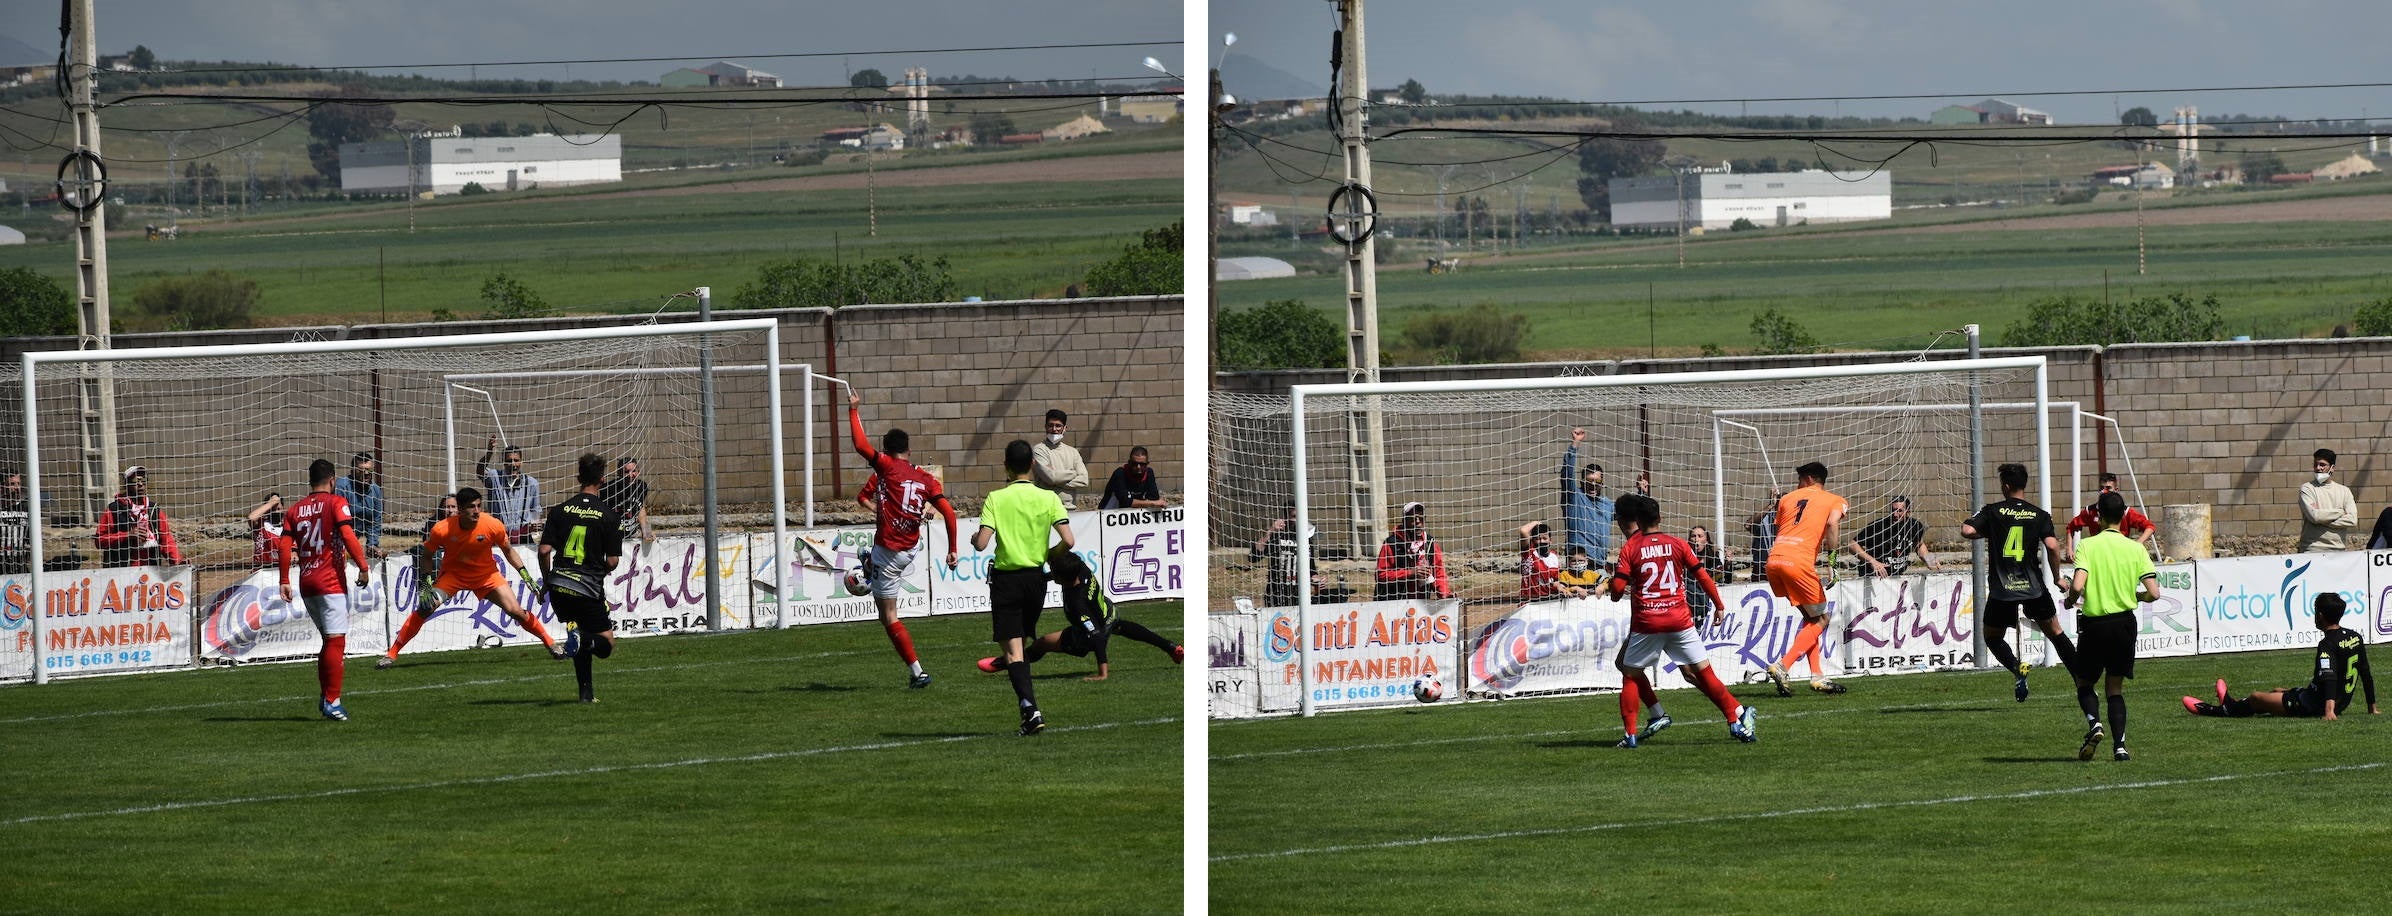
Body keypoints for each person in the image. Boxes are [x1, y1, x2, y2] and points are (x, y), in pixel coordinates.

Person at [1604, 493, 1758, 748]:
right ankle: (1734, 718)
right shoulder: (1676, 543)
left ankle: (1637, 729)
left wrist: (1614, 586)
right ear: (1660, 518)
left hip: (1648, 621)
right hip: (1679, 618)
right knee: (1701, 672)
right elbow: (1702, 575)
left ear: (1628, 520)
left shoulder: (1631, 547)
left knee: (1630, 673)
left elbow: (1618, 587)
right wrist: (1719, 604)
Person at [379, 487, 564, 667]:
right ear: (459, 510)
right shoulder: (442, 529)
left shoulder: (492, 524)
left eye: (478, 506)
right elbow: (427, 555)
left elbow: (508, 551)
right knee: (425, 608)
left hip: (487, 576)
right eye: (471, 507)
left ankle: (551, 643)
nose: (476, 511)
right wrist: (427, 587)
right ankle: (391, 654)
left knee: (515, 611)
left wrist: (527, 577)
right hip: (453, 576)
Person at [850, 392, 961, 689]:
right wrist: (952, 550)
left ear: (887, 451)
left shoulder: (885, 466)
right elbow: (948, 514)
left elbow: (860, 445)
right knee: (874, 554)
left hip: (890, 553)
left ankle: (917, 673)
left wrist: (853, 410)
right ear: (909, 451)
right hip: (910, 549)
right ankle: (867, 563)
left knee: (888, 617)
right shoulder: (925, 478)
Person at [973, 439, 1074, 736]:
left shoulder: (996, 498)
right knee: (1016, 650)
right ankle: (1027, 706)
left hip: (1007, 581)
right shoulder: (1048, 498)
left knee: (1014, 652)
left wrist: (973, 539)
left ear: (1005, 466)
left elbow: (981, 543)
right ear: (1033, 465)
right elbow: (1069, 541)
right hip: (1036, 581)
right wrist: (1049, 555)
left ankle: (1031, 710)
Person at [1960, 463, 2080, 702]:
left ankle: (2016, 666)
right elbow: (2053, 546)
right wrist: (2057, 577)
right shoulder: (2039, 514)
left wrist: (1991, 532)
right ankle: (2082, 681)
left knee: (1993, 637)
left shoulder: (1993, 511)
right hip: (2033, 587)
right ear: (2024, 485)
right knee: (2056, 634)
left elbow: (1967, 530)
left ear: (2005, 486)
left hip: (2002, 589)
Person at [977, 547, 1181, 681]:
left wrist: (1102, 674)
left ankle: (1006, 663)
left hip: (1089, 632)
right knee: (1123, 627)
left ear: (1061, 578)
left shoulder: (1078, 605)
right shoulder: (1079, 568)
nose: (1051, 572)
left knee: (1042, 644)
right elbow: (1062, 568)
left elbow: (1097, 637)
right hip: (1108, 612)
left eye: (1053, 572)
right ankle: (1171, 648)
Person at [2064, 491, 2160, 762]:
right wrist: (2136, 596)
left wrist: (2071, 600)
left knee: (2085, 682)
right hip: (2124, 625)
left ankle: (2094, 723)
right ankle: (2120, 747)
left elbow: (2078, 585)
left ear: (2099, 516)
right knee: (2114, 688)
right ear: (2123, 517)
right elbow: (2154, 592)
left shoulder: (2088, 546)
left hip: (2095, 624)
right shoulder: (2136, 548)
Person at [278, 459, 373, 722]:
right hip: (329, 581)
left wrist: (284, 579)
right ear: (332, 479)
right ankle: (333, 701)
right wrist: (363, 566)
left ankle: (326, 695)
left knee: (328, 641)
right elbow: (348, 535)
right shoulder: (336, 502)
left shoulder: (295, 509)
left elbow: (284, 546)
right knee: (336, 641)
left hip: (306, 582)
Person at [2185, 593, 2377, 721]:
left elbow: (2330, 677)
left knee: (2256, 697)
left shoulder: (2327, 644)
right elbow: (2366, 674)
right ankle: (2231, 703)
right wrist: (2372, 708)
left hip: (2314, 705)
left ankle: (2216, 710)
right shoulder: (2354, 637)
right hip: (2334, 701)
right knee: (2276, 691)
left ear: (2319, 615)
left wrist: (2328, 711)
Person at [540, 453, 625, 704]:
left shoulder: (559, 511)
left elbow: (544, 550)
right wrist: (597, 572)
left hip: (559, 586)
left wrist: (547, 580)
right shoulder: (609, 515)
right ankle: (583, 639)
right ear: (602, 479)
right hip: (586, 587)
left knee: (580, 638)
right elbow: (612, 561)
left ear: (578, 477)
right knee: (605, 645)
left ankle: (586, 695)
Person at [1762, 462, 1850, 697]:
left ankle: (1817, 676)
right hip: (1798, 563)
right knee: (1823, 618)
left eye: (1800, 479)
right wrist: (1832, 561)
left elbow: (1783, 527)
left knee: (1811, 618)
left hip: (1774, 561)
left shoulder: (1786, 499)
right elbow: (1832, 523)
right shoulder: (1834, 500)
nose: (1797, 484)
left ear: (1810, 479)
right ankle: (1783, 665)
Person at [95, 465, 183, 568]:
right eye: (136, 482)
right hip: (121, 572)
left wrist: (178, 562)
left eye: (143, 481)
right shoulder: (114, 510)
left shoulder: (153, 510)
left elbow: (166, 540)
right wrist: (127, 535)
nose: (141, 484)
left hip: (150, 571)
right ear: (127, 484)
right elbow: (99, 540)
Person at [1374, 501, 1452, 601]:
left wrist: (1445, 594)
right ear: (1404, 521)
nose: (1418, 521)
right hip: (1394, 604)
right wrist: (1411, 573)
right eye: (1413, 518)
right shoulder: (1392, 544)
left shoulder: (1430, 543)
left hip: (1421, 605)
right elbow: (1380, 576)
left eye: (1421, 518)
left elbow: (1439, 573)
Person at [2064, 473, 2154, 560]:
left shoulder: (2125, 512)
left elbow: (2149, 526)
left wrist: (2137, 544)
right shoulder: (2090, 511)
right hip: (2098, 554)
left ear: (2116, 490)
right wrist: (2069, 548)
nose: (2104, 491)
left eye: (2108, 488)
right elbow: (2071, 526)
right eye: (2101, 488)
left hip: (2120, 554)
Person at [1560, 428, 1614, 565]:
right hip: (1577, 564)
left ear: (1602, 483)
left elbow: (1629, 514)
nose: (1593, 485)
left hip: (1600, 563)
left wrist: (1641, 493)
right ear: (1582, 482)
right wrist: (1575, 444)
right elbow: (1567, 473)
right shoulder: (1574, 497)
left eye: (1597, 482)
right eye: (1589, 481)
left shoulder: (1607, 505)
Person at [1849, 496, 1939, 577]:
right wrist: (1873, 561)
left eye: (1899, 511)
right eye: (1893, 510)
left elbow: (1919, 545)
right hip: (1872, 576)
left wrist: (1929, 559)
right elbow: (1852, 545)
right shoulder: (1878, 526)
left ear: (1908, 512)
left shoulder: (1915, 526)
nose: (1895, 515)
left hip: (1897, 576)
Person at [476, 435, 542, 543]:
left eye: (516, 460)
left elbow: (536, 511)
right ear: (503, 462)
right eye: (509, 461)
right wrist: (489, 454)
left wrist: (536, 527)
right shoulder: (495, 477)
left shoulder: (532, 483)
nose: (513, 464)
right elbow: (480, 471)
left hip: (524, 537)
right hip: (499, 536)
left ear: (521, 462)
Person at [1251, 501, 1315, 608]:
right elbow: (1254, 556)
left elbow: (1311, 568)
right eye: (1294, 516)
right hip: (1277, 595)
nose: (1298, 520)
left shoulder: (1307, 537)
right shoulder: (1277, 536)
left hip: (1301, 595)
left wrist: (1317, 578)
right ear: (1285, 517)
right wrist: (1270, 531)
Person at [2298, 448, 2358, 552]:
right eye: (2315, 464)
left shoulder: (2344, 491)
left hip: (2338, 550)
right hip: (2312, 549)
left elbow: (2352, 520)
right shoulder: (2307, 489)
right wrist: (2340, 512)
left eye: (2322, 465)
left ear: (2332, 468)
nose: (2318, 468)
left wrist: (2323, 519)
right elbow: (2314, 516)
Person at [1030, 408, 1089, 509]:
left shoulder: (1073, 452)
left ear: (1065, 428)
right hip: (1046, 509)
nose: (1054, 429)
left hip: (1070, 509)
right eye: (1050, 425)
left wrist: (1056, 480)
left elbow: (1084, 480)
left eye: (1058, 426)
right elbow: (1051, 477)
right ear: (1045, 427)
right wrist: (1073, 473)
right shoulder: (1039, 450)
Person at [331, 451, 384, 557]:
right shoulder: (342, 486)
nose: (366, 474)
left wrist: (372, 544)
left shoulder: (376, 490)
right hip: (338, 539)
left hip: (355, 539)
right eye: (361, 470)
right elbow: (338, 521)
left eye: (370, 470)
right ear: (353, 471)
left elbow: (375, 521)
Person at [1517, 520, 1585, 599]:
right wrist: (1536, 522)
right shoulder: (1529, 552)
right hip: (1529, 600)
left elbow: (1555, 580)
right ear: (1533, 540)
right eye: (1538, 539)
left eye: (1544, 538)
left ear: (1550, 540)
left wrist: (1561, 588)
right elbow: (1523, 531)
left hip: (1549, 600)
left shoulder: (1554, 557)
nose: (1541, 541)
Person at [600, 457, 655, 546]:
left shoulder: (641, 486)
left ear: (638, 472)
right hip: (613, 536)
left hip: (632, 533)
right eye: (626, 472)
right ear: (619, 473)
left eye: (633, 471)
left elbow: (640, 508)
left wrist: (646, 530)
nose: (630, 475)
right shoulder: (608, 489)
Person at [1098, 446, 1168, 510]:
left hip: (1132, 514)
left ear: (1147, 464)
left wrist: (1151, 502)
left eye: (1142, 464)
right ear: (1129, 463)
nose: (1138, 467)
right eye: (1135, 464)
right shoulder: (1120, 473)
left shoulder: (1149, 473)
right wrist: (1152, 503)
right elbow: (1125, 501)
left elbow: (1154, 497)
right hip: (1109, 512)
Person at [1686, 525, 1728, 619]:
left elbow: (1722, 579)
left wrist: (1728, 565)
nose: (1696, 539)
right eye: (1693, 536)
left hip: (1707, 603)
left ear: (1706, 540)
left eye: (1700, 536)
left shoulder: (1713, 557)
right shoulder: (1685, 559)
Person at [246, 493, 287, 569]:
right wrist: (271, 503)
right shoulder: (260, 524)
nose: (276, 511)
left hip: (282, 569)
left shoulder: (288, 525)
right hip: (262, 569)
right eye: (273, 509)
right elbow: (251, 518)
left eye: (278, 508)